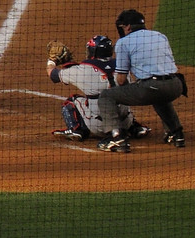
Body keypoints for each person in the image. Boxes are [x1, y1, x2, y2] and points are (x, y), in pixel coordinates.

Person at [96, 10, 187, 153]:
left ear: (127, 27)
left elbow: (120, 79)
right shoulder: (160, 36)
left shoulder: (124, 42)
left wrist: (126, 91)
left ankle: (117, 138)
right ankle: (176, 134)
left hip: (151, 87)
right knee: (159, 96)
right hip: (176, 85)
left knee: (107, 96)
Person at [45, 36, 150, 142]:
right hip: (124, 123)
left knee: (72, 100)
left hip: (98, 126)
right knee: (121, 99)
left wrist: (51, 61)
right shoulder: (121, 66)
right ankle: (134, 127)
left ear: (92, 52)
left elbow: (53, 75)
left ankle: (76, 129)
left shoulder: (83, 70)